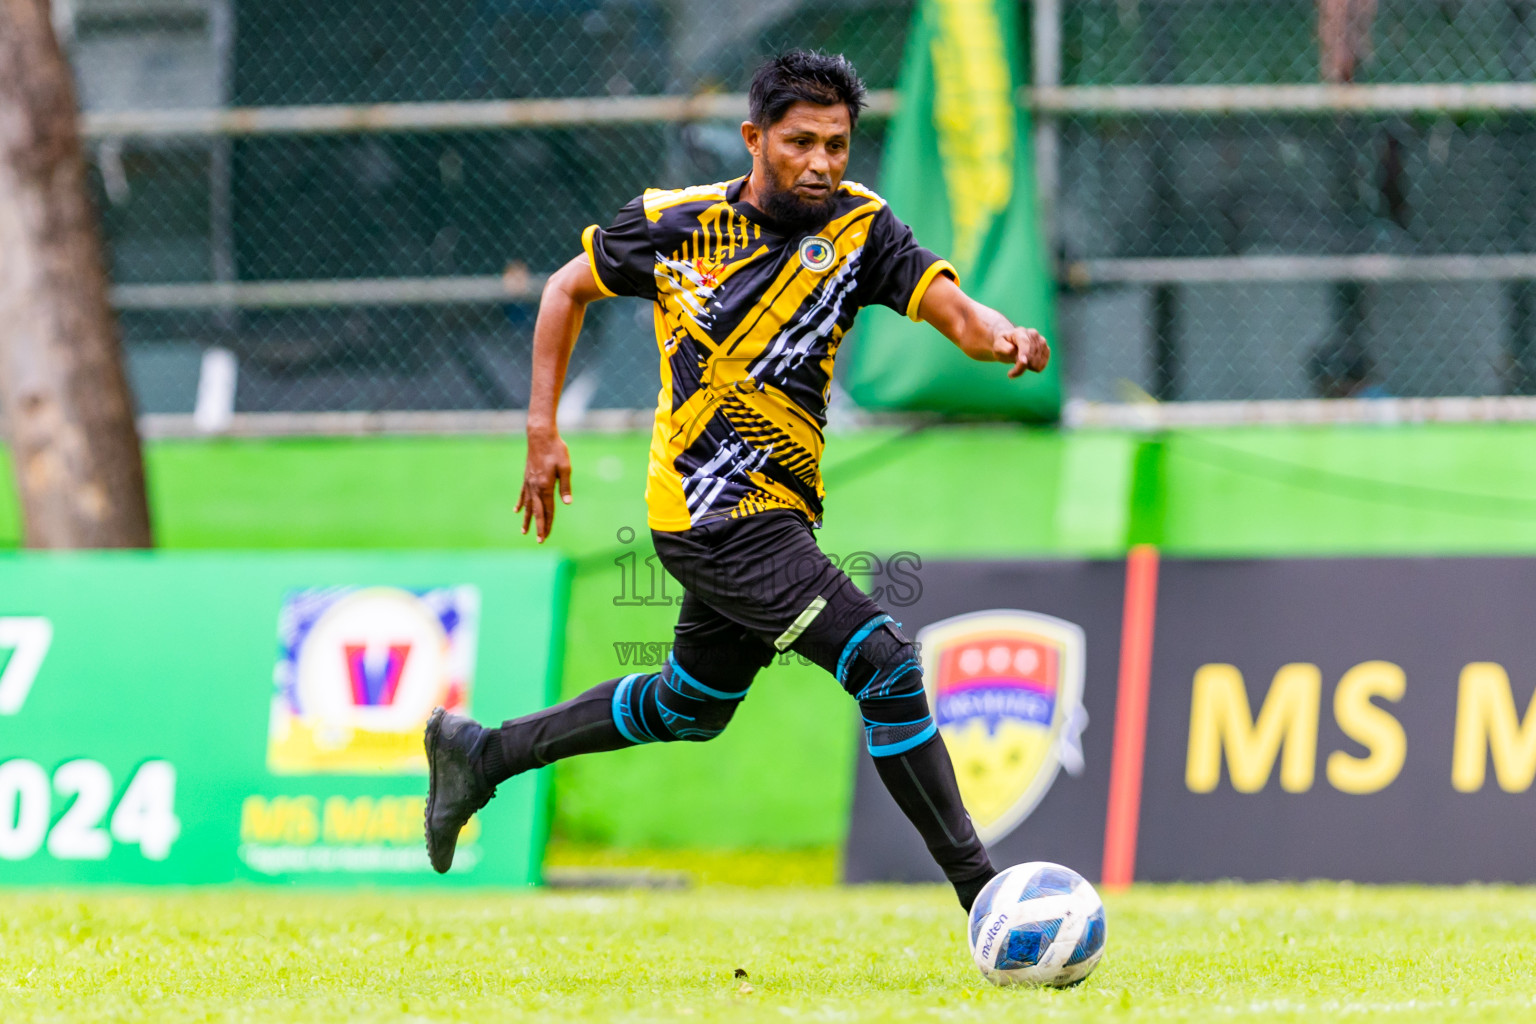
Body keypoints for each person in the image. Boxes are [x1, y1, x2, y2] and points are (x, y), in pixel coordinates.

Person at [424, 50, 1050, 912]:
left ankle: (480, 754)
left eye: (837, 144)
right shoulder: (676, 224)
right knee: (886, 662)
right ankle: (986, 899)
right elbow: (566, 291)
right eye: (801, 142)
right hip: (709, 514)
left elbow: (956, 315)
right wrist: (542, 430)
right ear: (755, 138)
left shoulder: (863, 231)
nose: (822, 163)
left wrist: (1003, 334)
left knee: (692, 704)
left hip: (781, 515)